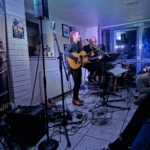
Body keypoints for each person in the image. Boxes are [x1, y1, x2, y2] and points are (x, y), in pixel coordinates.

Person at [64, 30, 84, 106]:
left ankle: (76, 97)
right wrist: (76, 59)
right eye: (78, 34)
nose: (80, 36)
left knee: (79, 83)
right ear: (74, 36)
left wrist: (87, 56)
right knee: (77, 83)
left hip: (78, 66)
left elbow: (81, 55)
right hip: (72, 67)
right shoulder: (72, 44)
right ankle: (74, 100)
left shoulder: (78, 45)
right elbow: (66, 52)